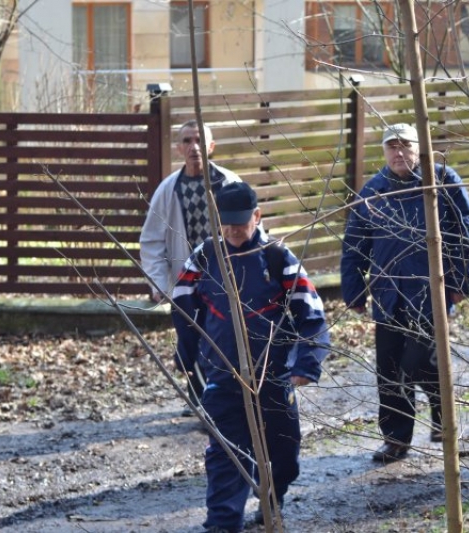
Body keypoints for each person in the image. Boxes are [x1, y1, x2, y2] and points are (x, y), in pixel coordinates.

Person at [172, 181, 330, 533]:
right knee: (227, 451)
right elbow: (183, 305)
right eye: (226, 226)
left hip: (274, 373)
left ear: (257, 217)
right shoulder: (205, 255)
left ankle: (272, 497)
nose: (233, 233)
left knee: (284, 453)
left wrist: (307, 362)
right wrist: (186, 354)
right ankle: (222, 523)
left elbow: (312, 313)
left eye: (241, 226)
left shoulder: (277, 257)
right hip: (222, 372)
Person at [340, 123, 469, 463]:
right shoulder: (373, 192)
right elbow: (354, 248)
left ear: (419, 149)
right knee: (389, 370)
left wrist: (463, 282)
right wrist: (354, 293)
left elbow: (468, 231)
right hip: (389, 296)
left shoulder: (442, 182)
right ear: (385, 151)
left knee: (420, 363)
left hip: (431, 293)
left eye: (406, 145)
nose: (399, 152)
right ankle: (396, 439)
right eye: (392, 146)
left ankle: (444, 425)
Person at [139, 120, 241, 415]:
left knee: (223, 336)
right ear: (179, 148)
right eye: (187, 140)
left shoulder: (229, 183)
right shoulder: (169, 189)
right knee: (189, 338)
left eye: (199, 140)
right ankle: (198, 398)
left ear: (211, 146)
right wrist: (159, 283)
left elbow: (249, 228)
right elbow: (151, 240)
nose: (194, 146)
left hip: (224, 278)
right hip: (186, 281)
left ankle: (224, 397)